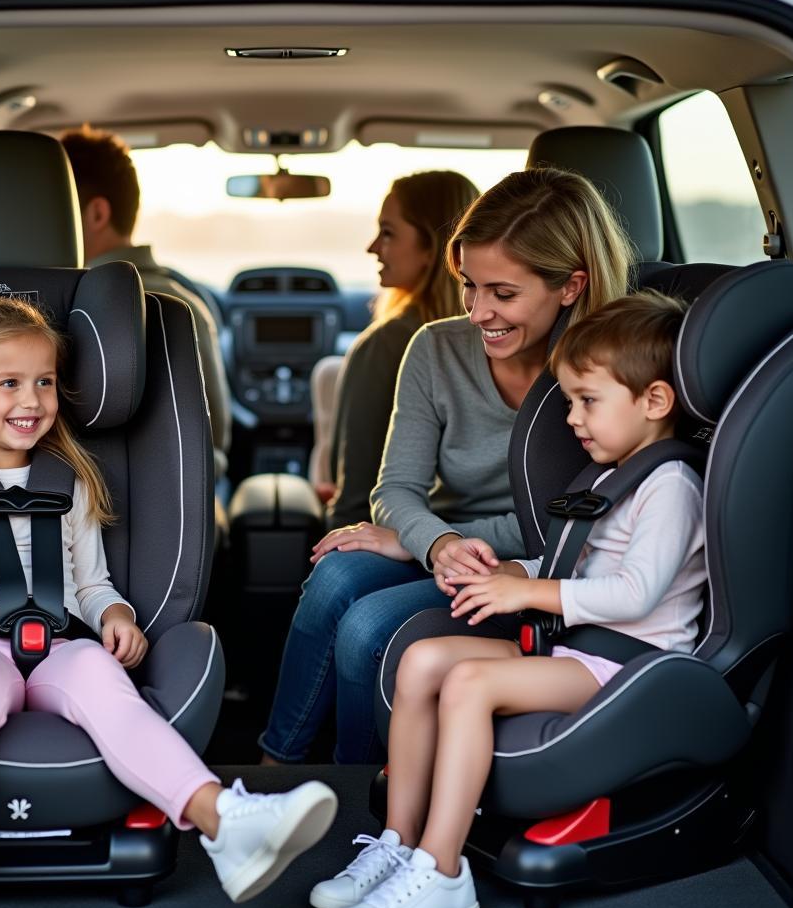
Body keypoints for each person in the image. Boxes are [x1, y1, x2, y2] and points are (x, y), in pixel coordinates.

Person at [0, 297, 336, 908]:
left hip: (57, 648)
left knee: (109, 687)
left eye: (44, 382)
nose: (31, 400)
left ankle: (224, 823)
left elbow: (90, 583)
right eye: (8, 383)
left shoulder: (72, 483)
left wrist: (116, 613)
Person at [314, 290, 706, 908]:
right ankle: (398, 841)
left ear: (655, 402)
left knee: (469, 683)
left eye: (589, 401)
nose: (573, 418)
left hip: (630, 663)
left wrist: (531, 595)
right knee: (423, 660)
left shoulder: (671, 487)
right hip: (580, 651)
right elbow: (576, 560)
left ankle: (442, 874)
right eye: (571, 400)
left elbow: (636, 595)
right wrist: (511, 574)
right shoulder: (614, 473)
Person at [260, 167, 632, 766]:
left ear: (570, 286)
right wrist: (433, 543)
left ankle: (360, 789)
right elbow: (397, 488)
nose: (479, 312)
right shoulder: (435, 346)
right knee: (335, 577)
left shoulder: (602, 377)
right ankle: (278, 766)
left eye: (503, 293)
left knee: (367, 627)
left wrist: (423, 545)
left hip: (535, 567)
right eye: (468, 286)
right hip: (445, 549)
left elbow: (570, 522)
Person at [60, 127, 232, 479]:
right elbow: (215, 440)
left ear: (96, 214)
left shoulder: (34, 313)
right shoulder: (180, 306)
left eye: (51, 209)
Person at [323, 170, 480, 529]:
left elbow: (356, 497)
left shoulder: (386, 344)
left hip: (405, 538)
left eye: (388, 233)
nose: (373, 247)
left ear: (432, 248)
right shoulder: (507, 337)